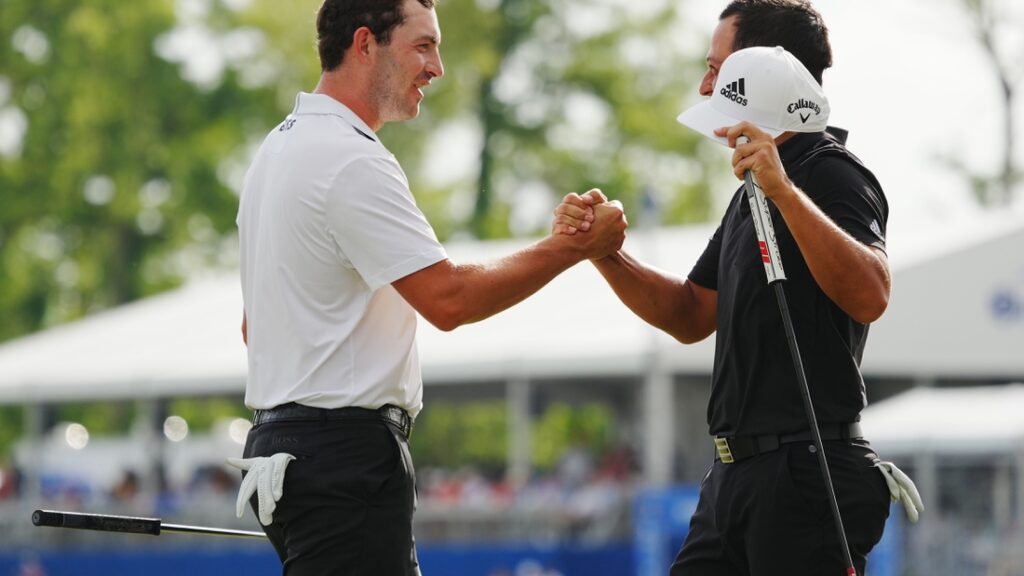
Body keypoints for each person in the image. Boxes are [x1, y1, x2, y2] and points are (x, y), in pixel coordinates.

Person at [229, 0, 627, 574]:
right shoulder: (349, 157)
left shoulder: (274, 154)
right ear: (365, 44)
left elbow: (254, 327)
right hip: (344, 456)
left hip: (287, 450)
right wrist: (574, 247)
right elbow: (448, 299)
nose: (438, 67)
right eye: (423, 45)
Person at [554, 2, 919, 574]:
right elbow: (691, 313)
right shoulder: (751, 189)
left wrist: (784, 193)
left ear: (764, 73)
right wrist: (604, 255)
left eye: (716, 67)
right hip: (735, 477)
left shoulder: (830, 171)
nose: (704, 83)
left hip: (806, 471)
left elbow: (872, 292)